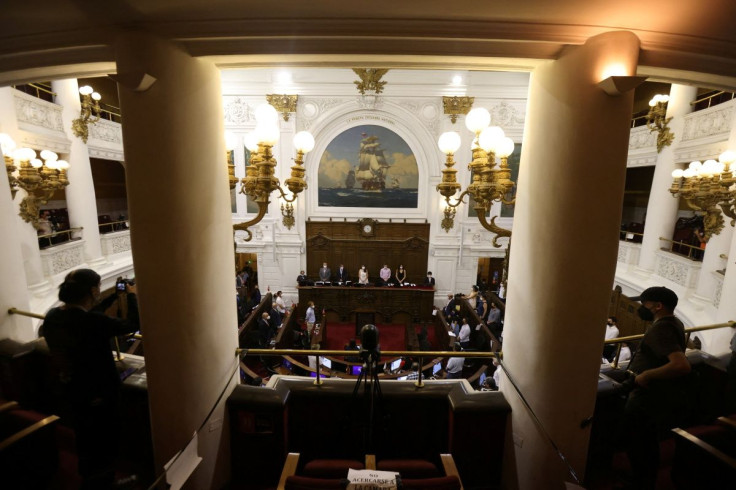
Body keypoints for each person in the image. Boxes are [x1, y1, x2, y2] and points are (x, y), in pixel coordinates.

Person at [41, 269, 140, 489]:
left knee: (84, 438)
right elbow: (133, 324)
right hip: (100, 393)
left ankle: (88, 478)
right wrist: (132, 295)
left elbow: (87, 318)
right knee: (106, 441)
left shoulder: (54, 316)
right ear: (94, 290)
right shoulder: (92, 322)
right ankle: (105, 483)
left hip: (70, 389)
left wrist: (114, 297)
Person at [620, 286, 691, 490]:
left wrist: (646, 375)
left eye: (645, 304)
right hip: (655, 396)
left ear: (658, 306)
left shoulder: (661, 328)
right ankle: (642, 480)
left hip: (646, 398)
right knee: (646, 443)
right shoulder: (673, 322)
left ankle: (641, 483)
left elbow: (681, 365)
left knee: (640, 444)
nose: (641, 307)